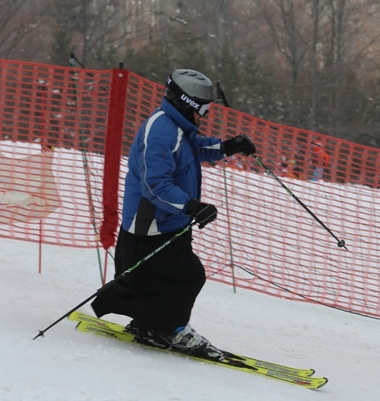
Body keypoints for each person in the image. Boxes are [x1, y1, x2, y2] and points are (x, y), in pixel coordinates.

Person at [91, 69, 256, 360]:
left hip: (171, 219)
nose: (206, 113)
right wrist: (193, 206)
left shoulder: (177, 127)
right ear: (188, 102)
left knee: (156, 278)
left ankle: (149, 324)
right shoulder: (161, 130)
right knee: (187, 276)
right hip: (151, 222)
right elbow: (155, 185)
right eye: (204, 107)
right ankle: (169, 328)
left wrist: (228, 147)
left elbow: (192, 150)